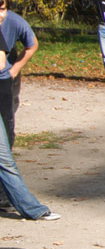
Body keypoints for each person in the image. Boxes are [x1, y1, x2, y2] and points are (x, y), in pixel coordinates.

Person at [0, 19, 59, 221]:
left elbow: (1, 62)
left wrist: (13, 70)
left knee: (4, 157)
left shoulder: (12, 23)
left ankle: (30, 208)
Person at [0, 0, 39, 144]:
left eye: (2, 9)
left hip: (4, 78)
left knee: (6, 118)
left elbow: (32, 45)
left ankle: (6, 154)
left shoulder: (16, 22)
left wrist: (14, 70)